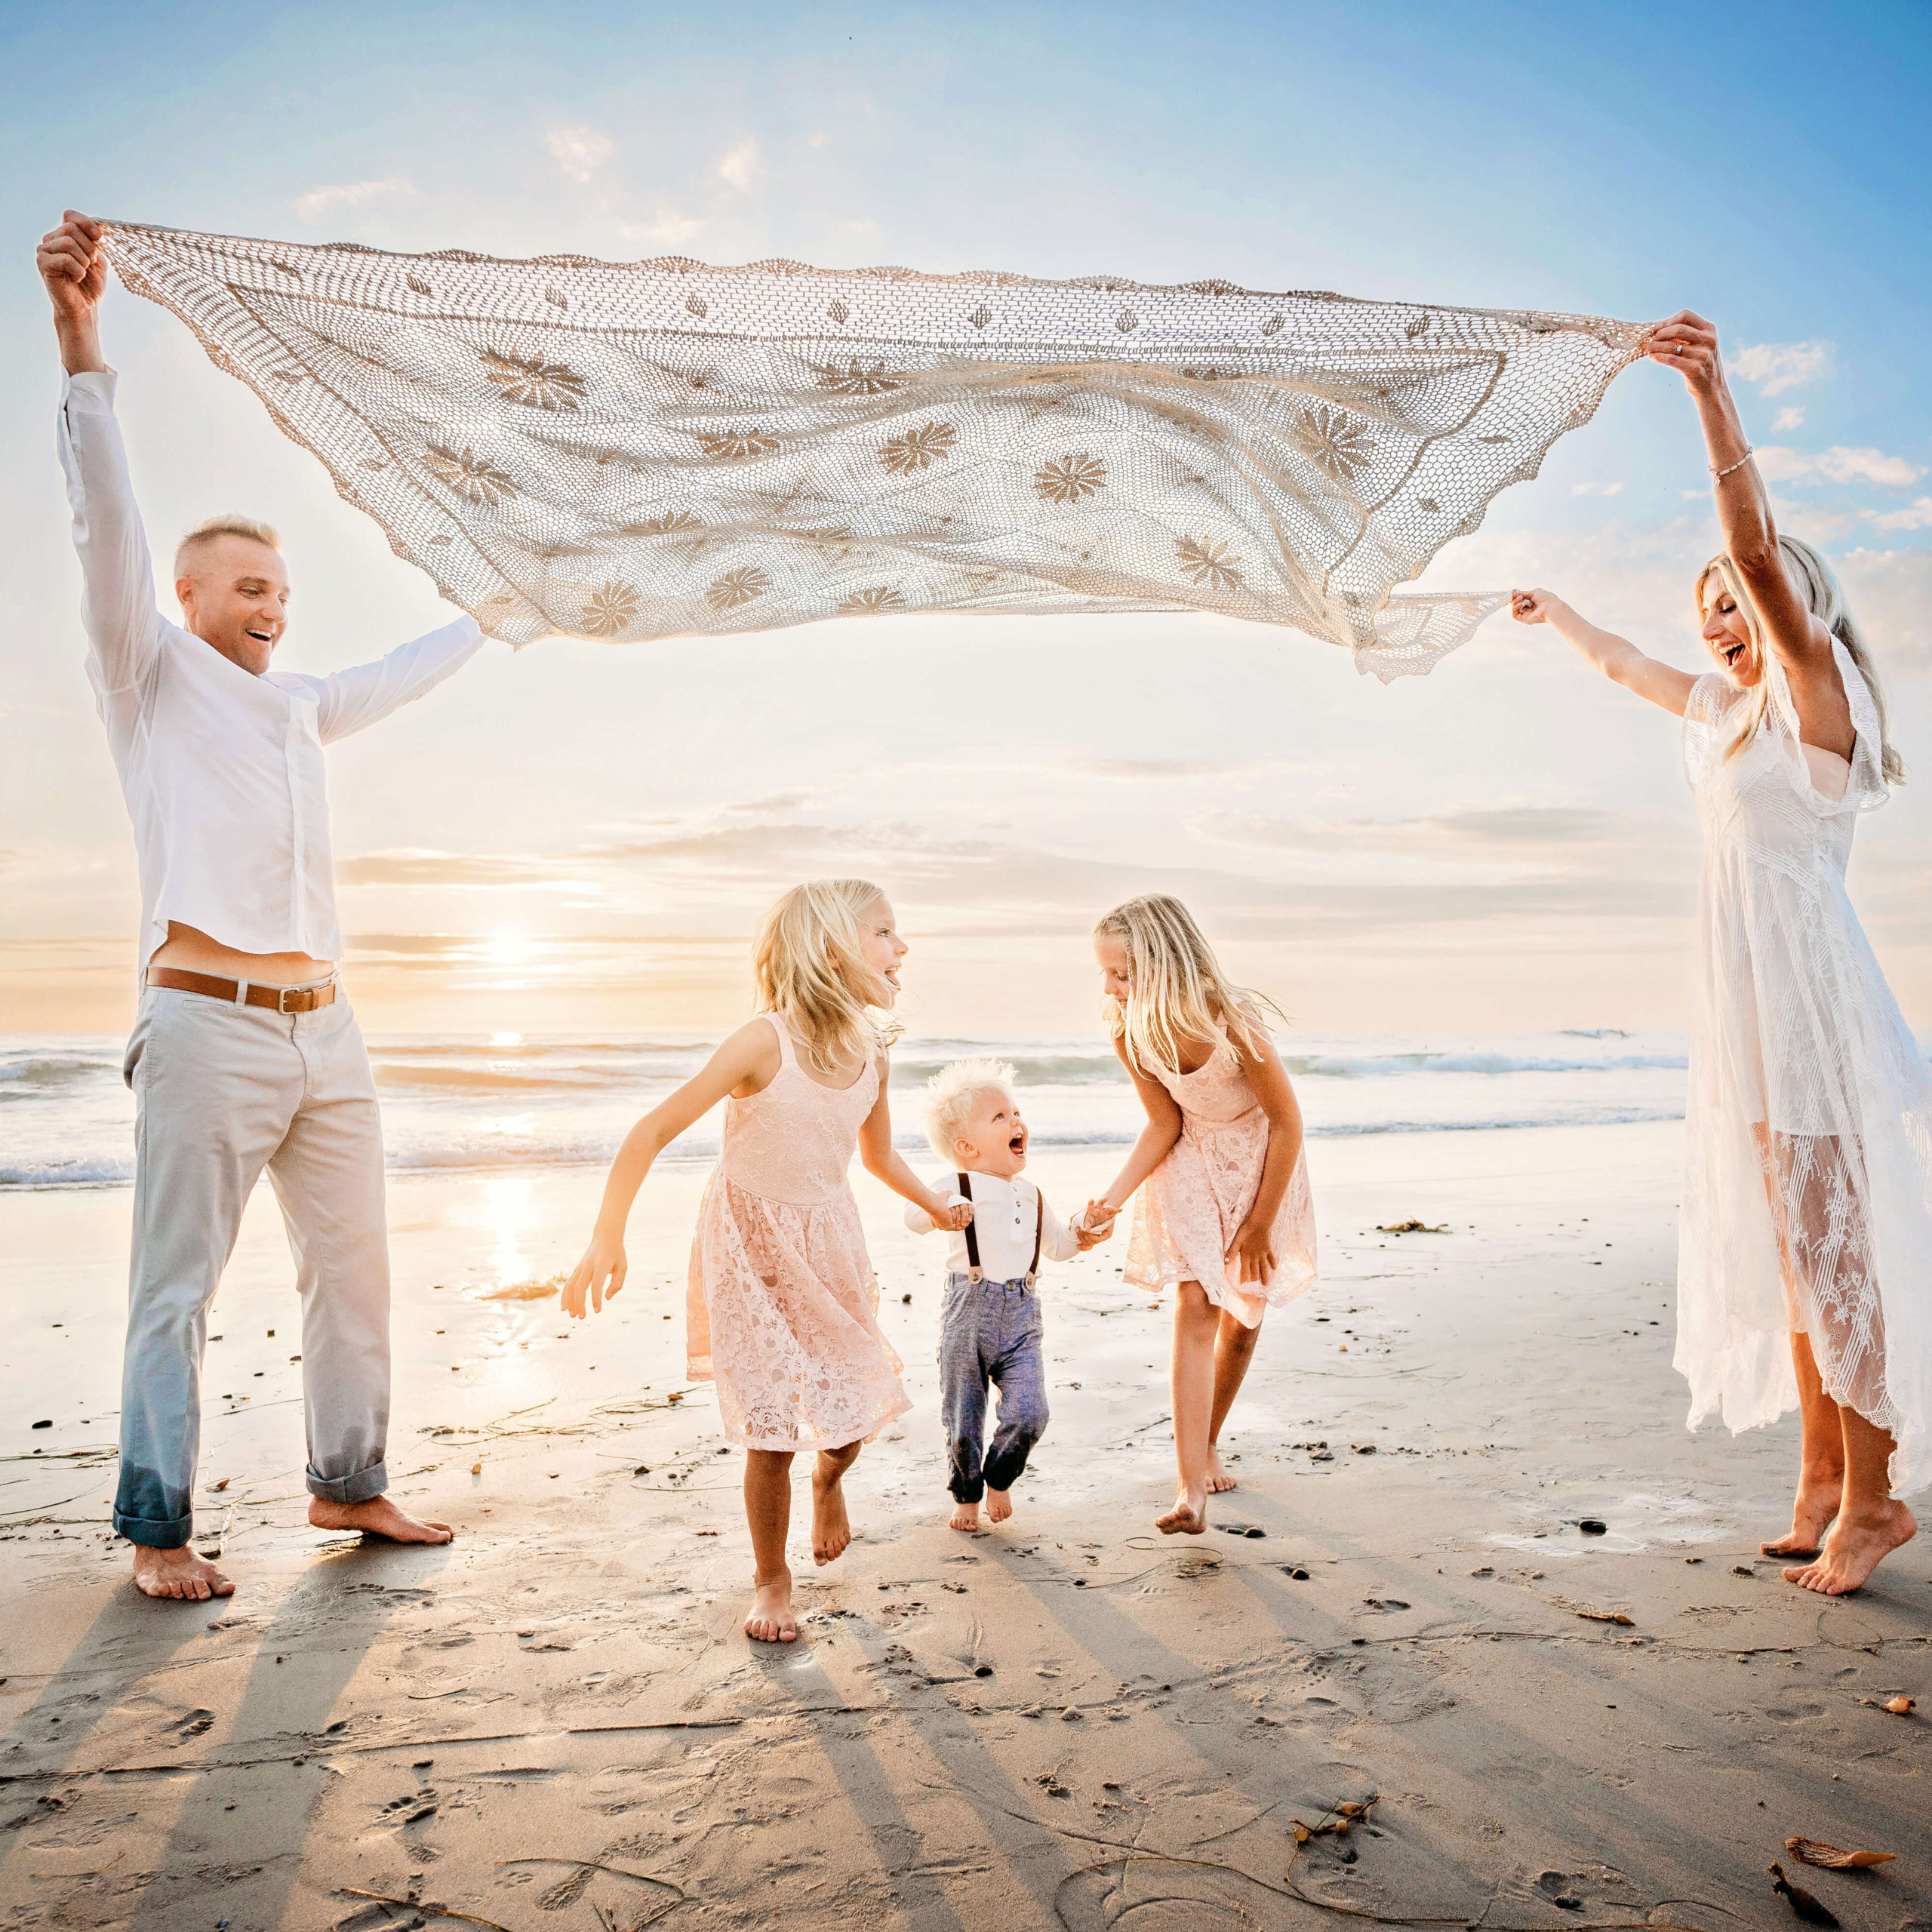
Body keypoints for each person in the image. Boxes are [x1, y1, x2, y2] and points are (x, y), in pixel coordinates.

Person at [39, 210, 485, 1601]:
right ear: (186, 596)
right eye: (244, 584)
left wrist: (509, 597)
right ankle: (159, 1529)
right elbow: (102, 520)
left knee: (353, 1275)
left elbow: (412, 667)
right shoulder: (147, 673)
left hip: (326, 1032)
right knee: (177, 1291)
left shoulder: (298, 706)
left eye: (281, 588)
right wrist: (80, 346)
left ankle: (349, 1488)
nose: (271, 603)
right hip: (204, 1026)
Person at [1510, 309, 1926, 1595]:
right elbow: (1633, 666)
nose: (1721, 619)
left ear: (1792, 604)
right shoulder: (1722, 714)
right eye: (1710, 610)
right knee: (1801, 1252)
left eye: (1738, 600)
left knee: (1837, 1254)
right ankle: (1818, 1479)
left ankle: (1876, 1500)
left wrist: (1713, 401)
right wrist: (1564, 612)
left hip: (1811, 1010)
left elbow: (1752, 541)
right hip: (1745, 1012)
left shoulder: (1816, 697)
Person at [561, 880, 967, 1643]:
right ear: (831, 947)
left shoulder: (874, 1053)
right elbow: (650, 1131)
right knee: (773, 1428)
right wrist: (605, 1235)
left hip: (829, 1245)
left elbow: (877, 1157)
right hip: (749, 1249)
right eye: (884, 932)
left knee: (851, 1411)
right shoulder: (762, 1042)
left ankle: (830, 1480)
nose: (901, 946)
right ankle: (772, 1581)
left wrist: (939, 1203)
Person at [1080, 894, 1317, 1534]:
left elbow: (1287, 1122)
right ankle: (1191, 1490)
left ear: (1165, 964)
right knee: (1194, 1305)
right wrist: (1112, 1199)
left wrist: (1262, 1222)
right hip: (1190, 1157)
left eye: (1122, 973)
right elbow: (1164, 1122)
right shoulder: (1128, 1028)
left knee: (1241, 1318)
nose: (1109, 987)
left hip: (1261, 1163)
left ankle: (1208, 1437)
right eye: (1105, 973)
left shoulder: (1230, 1021)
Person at [904, 1059, 1106, 1532]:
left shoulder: (1032, 1193)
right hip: (967, 1316)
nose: (1017, 1122)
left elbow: (1058, 1245)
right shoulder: (954, 1185)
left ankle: (1000, 1475)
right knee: (963, 1415)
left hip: (1021, 1317)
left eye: (1016, 1113)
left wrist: (1085, 1231)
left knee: (1031, 1411)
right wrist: (940, 1211)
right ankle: (966, 1493)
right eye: (1000, 1117)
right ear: (966, 1146)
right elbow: (912, 1218)